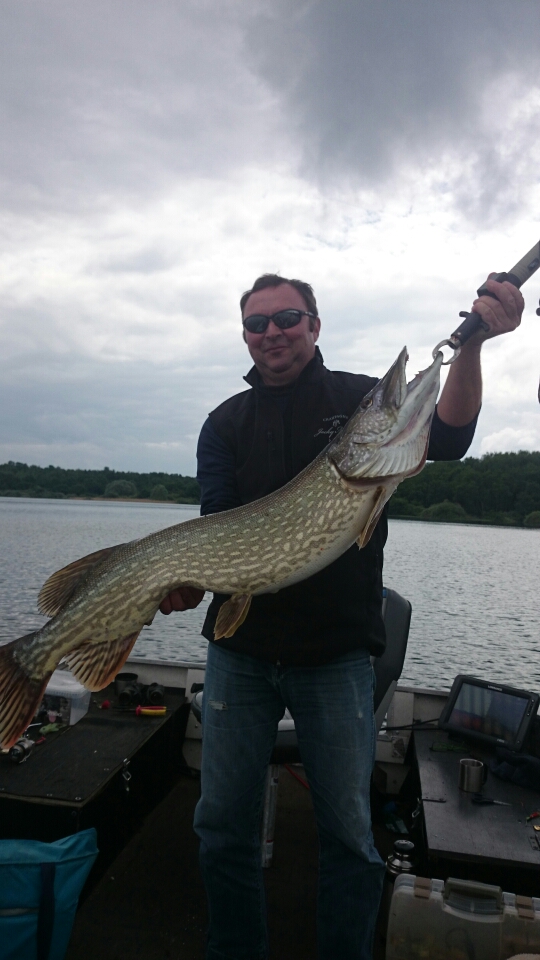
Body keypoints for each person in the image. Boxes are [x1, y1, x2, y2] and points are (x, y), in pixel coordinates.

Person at [161, 272, 524, 960]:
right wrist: (187, 582)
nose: (273, 332)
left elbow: (448, 438)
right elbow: (217, 524)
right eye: (257, 324)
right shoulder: (225, 422)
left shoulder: (358, 399)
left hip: (335, 658)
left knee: (350, 839)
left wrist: (473, 346)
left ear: (314, 325)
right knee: (221, 829)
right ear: (246, 336)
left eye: (287, 317)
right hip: (239, 655)